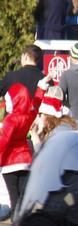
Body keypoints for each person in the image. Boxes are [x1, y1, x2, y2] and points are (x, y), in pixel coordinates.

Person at [1, 77, 51, 218]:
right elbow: (36, 102)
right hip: (25, 159)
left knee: (13, 196)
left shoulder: (11, 119)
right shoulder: (28, 115)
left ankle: (15, 223)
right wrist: (42, 86)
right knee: (22, 196)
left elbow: (4, 141)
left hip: (10, 162)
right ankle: (22, 221)